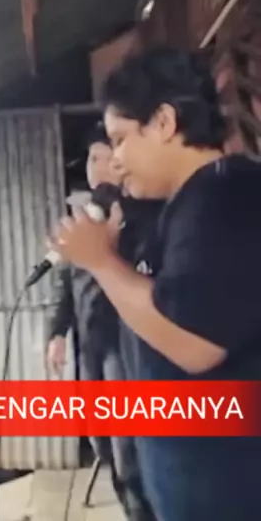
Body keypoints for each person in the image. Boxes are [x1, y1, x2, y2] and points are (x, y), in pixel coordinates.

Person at [49, 45, 261, 521]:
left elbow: (194, 342)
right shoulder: (185, 205)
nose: (116, 161)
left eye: (121, 139)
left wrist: (101, 262)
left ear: (164, 123)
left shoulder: (225, 197)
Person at [47, 123, 159, 521]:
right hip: (89, 344)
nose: (97, 167)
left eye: (105, 157)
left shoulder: (143, 214)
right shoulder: (84, 218)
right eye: (92, 159)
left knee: (128, 447)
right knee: (102, 442)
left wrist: (110, 248)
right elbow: (68, 280)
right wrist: (57, 332)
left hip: (123, 345)